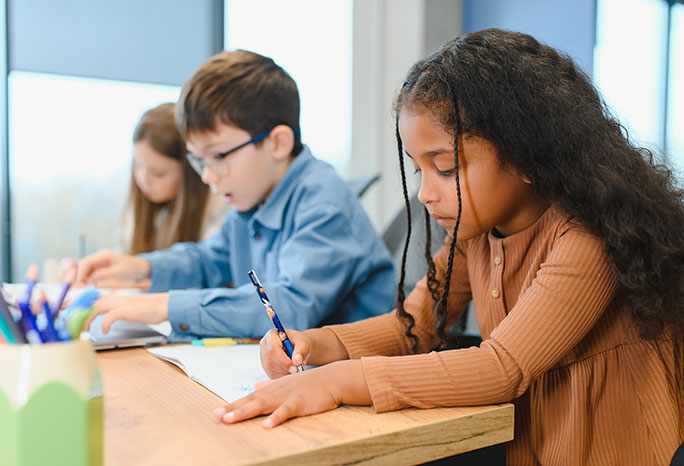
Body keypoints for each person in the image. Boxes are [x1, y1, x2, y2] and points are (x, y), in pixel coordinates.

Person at [214, 29, 684, 465]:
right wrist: (316, 344)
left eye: (445, 167)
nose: (424, 192)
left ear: (526, 154)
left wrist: (337, 381)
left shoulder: (586, 239)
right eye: (418, 170)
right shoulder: (474, 236)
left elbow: (502, 367)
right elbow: (412, 327)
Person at [74, 50, 396, 342]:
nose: (207, 175)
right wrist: (139, 268)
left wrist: (166, 306)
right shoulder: (252, 199)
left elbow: (289, 308)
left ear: (278, 144)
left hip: (355, 383)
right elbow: (208, 262)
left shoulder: (324, 205)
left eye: (218, 156)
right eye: (198, 159)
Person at [123, 102, 228, 255]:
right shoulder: (138, 211)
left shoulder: (219, 218)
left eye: (158, 173)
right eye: (137, 166)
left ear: (190, 171)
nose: (143, 180)